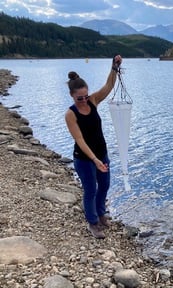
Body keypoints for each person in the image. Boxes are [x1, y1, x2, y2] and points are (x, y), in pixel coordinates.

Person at [65, 55, 122, 239]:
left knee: (104, 186)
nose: (83, 100)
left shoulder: (93, 101)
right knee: (90, 189)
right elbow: (80, 140)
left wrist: (114, 67)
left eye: (85, 96)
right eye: (79, 98)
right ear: (72, 96)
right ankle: (93, 222)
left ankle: (101, 213)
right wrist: (95, 160)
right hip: (84, 158)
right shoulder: (70, 114)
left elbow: (108, 86)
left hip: (101, 153)